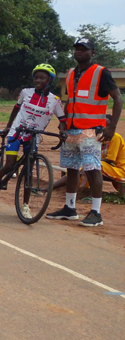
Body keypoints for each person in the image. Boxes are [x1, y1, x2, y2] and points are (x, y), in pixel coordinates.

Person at [47, 38, 123, 227]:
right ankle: (69, 208)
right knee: (71, 168)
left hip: (90, 130)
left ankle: (96, 213)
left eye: (84, 49)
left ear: (93, 52)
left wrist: (112, 127)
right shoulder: (71, 73)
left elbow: (117, 98)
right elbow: (70, 100)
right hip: (71, 129)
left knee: (92, 169)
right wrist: (63, 123)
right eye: (77, 48)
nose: (79, 51)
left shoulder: (101, 72)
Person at [0, 64, 65, 218]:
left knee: (29, 171)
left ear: (50, 80)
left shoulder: (55, 101)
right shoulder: (26, 92)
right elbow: (16, 108)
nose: (38, 80)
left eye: (42, 78)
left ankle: (25, 206)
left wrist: (62, 132)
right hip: (16, 133)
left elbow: (62, 119)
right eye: (36, 77)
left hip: (34, 136)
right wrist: (8, 126)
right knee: (9, 165)